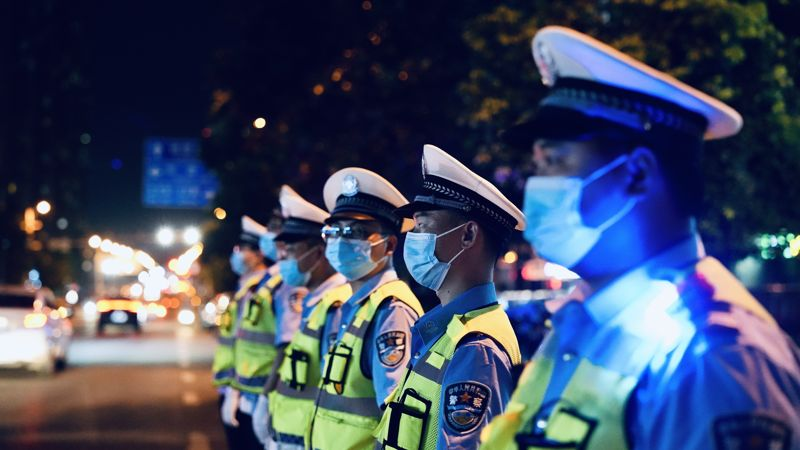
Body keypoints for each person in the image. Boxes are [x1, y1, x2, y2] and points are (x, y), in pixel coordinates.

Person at [480, 26, 800, 450]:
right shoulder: (582, 320)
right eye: (537, 166)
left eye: (554, 162)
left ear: (637, 174)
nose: (535, 185)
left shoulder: (714, 360)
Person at [373, 144, 524, 450]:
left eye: (423, 226)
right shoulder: (450, 331)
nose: (412, 239)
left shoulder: (476, 348)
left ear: (468, 235)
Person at [306, 168, 424, 450]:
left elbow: (395, 418)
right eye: (334, 231)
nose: (340, 241)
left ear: (389, 245)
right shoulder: (358, 305)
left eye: (357, 232)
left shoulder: (391, 309)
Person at [254, 184, 350, 450]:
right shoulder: (315, 301)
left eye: (291, 251)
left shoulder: (336, 306)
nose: (283, 258)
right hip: (296, 434)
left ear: (318, 252)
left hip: (311, 438)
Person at [214, 216, 273, 450]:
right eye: (236, 249)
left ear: (259, 254)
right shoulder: (244, 289)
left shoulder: (263, 290)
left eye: (243, 249)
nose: (236, 255)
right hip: (238, 387)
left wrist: (235, 390)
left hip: (252, 391)